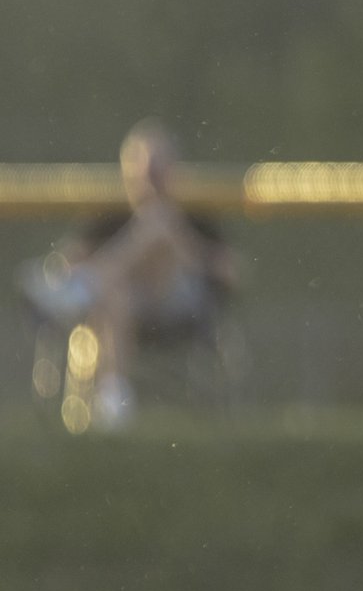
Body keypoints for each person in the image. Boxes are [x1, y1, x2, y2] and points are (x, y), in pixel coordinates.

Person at [20, 120, 237, 430]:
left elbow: (231, 271)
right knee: (116, 290)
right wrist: (75, 264)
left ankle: (84, 289)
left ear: (173, 170)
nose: (150, 180)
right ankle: (114, 400)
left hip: (179, 303)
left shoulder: (195, 210)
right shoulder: (112, 214)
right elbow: (70, 256)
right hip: (124, 307)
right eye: (144, 171)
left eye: (157, 170)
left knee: (159, 225)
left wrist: (184, 245)